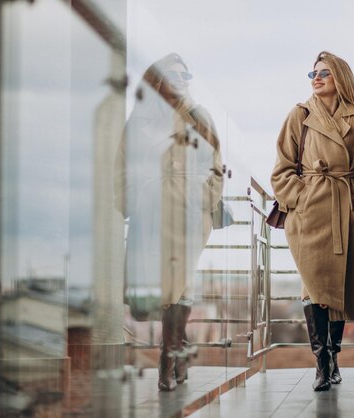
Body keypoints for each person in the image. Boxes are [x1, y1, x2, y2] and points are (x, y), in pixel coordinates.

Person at [271, 51, 354, 391]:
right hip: (309, 215)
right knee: (315, 288)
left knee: (341, 289)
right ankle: (322, 363)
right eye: (313, 74)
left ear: (341, 78)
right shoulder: (300, 115)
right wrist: (301, 200)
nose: (316, 78)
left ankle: (333, 356)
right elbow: (281, 169)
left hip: (345, 212)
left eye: (324, 73)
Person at [115, 53, 224, 391]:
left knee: (183, 282)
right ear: (158, 80)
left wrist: (205, 199)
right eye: (172, 74)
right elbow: (122, 166)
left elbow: (216, 164)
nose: (180, 80)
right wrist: (131, 200)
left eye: (185, 75)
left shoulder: (198, 116)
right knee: (164, 286)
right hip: (152, 211)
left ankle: (169, 354)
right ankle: (175, 352)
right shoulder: (139, 121)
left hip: (190, 211)